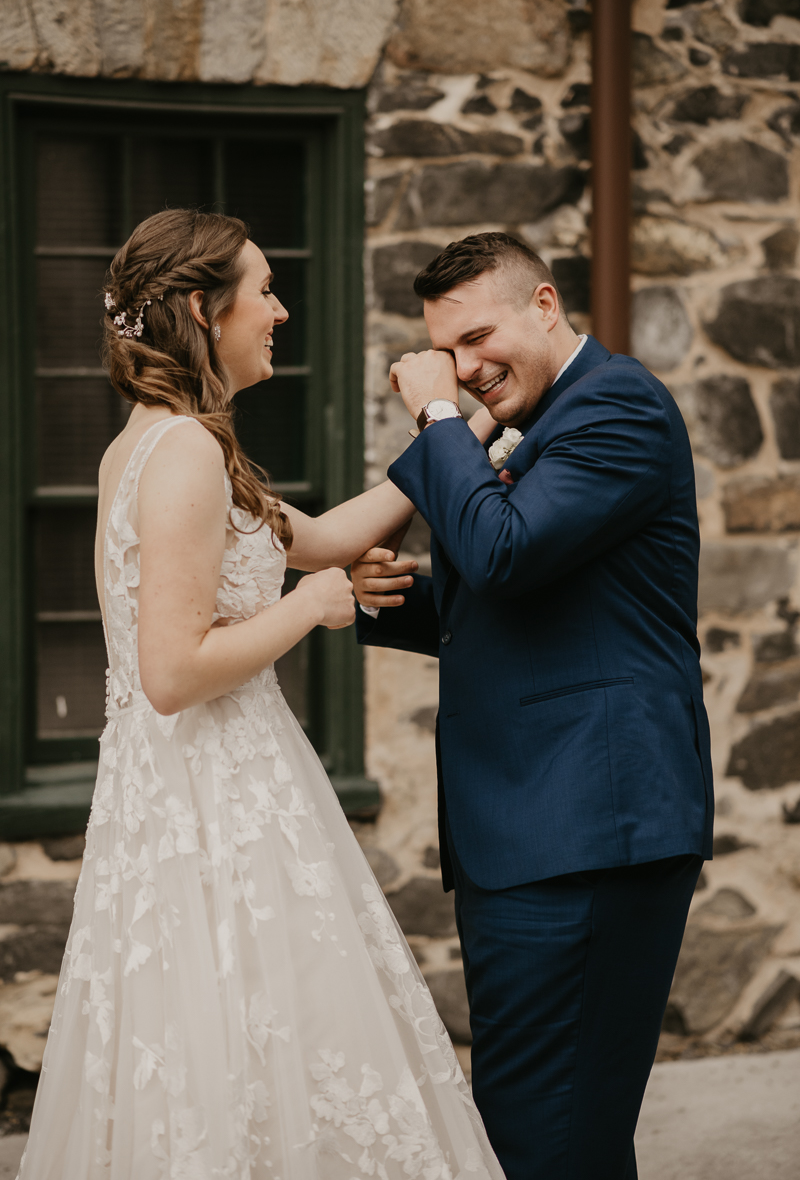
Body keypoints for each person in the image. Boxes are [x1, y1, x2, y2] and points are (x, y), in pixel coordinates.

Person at [17, 210, 505, 1180]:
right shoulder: (184, 454)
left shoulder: (164, 442)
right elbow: (169, 672)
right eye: (266, 291)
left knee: (234, 1045)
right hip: (209, 794)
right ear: (204, 310)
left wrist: (466, 425)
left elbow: (322, 536)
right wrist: (312, 608)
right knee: (245, 1032)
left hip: (209, 782)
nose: (280, 311)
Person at [352, 232, 714, 1180]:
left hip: (589, 827)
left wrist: (434, 410)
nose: (467, 372)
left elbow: (504, 554)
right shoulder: (552, 420)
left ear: (545, 306)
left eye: (476, 340)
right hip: (534, 832)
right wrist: (369, 596)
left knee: (545, 1136)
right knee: (560, 1134)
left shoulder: (619, 405)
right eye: (448, 353)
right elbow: (523, 601)